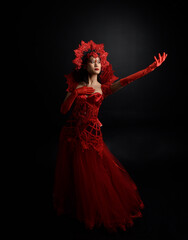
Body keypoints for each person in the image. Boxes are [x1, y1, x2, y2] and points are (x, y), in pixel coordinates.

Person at [52, 40, 167, 233]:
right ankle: (78, 206)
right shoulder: (76, 85)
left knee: (93, 174)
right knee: (75, 173)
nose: (96, 64)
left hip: (91, 136)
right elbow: (64, 111)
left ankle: (91, 209)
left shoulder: (104, 88)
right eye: (92, 61)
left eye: (99, 61)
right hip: (73, 135)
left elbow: (126, 81)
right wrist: (75, 93)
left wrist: (149, 69)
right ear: (84, 65)